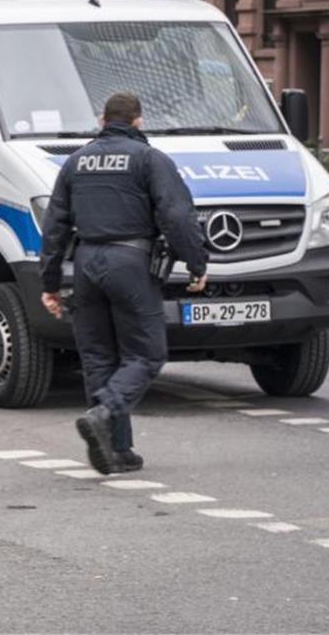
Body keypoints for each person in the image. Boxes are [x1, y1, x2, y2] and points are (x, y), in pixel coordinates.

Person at [39, 92, 209, 475]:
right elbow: (177, 216)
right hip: (130, 262)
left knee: (99, 356)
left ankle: (118, 449)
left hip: (86, 263)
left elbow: (54, 227)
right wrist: (197, 264)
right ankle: (106, 411)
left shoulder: (76, 162)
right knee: (146, 355)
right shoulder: (149, 159)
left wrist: (49, 281)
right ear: (138, 121)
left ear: (102, 120)